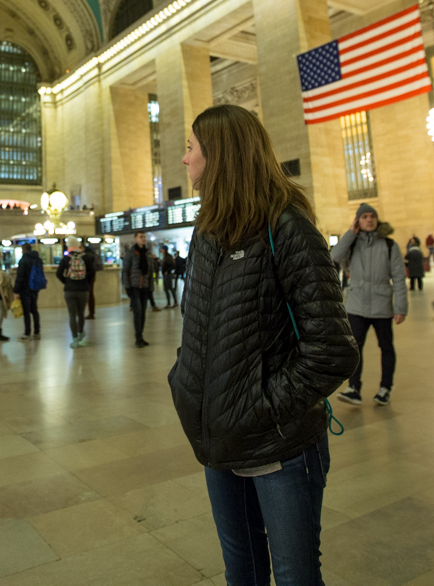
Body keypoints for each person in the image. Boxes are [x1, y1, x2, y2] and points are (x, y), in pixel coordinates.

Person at [168, 105, 358, 586]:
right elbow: (199, 324)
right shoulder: (207, 231)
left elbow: (332, 348)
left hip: (279, 446)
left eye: (191, 148)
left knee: (295, 575)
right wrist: (188, 385)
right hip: (220, 438)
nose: (184, 159)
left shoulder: (287, 227)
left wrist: (262, 406)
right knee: (242, 572)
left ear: (220, 155)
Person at [332, 204, 407, 407]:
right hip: (356, 306)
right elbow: (334, 257)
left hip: (382, 306)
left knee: (386, 347)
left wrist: (400, 308)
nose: (369, 220)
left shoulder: (390, 246)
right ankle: (354, 388)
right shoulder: (352, 244)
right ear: (358, 221)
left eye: (372, 216)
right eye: (364, 217)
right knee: (355, 348)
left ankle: (385, 388)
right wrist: (350, 233)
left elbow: (399, 278)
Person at [56, 240, 96, 348]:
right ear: (78, 246)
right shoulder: (85, 258)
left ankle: (74, 340)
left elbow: (58, 273)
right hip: (83, 290)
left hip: (69, 290)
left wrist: (67, 282)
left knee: (72, 315)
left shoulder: (66, 259)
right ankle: (80, 333)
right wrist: (86, 282)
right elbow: (92, 272)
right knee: (81, 313)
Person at [121, 231, 151, 347]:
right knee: (137, 312)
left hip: (144, 287)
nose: (143, 239)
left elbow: (150, 271)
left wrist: (150, 287)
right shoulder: (131, 253)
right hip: (134, 287)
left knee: (143, 313)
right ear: (135, 239)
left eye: (144, 237)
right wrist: (127, 287)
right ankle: (138, 337)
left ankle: (141, 336)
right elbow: (125, 271)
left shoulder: (147, 254)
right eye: (141, 237)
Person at [13, 243, 44, 339]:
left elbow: (20, 277)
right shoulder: (38, 259)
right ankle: (37, 331)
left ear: (24, 250)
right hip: (35, 288)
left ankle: (27, 333)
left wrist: (16, 290)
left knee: (26, 311)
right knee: (34, 310)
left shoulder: (24, 260)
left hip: (25, 289)